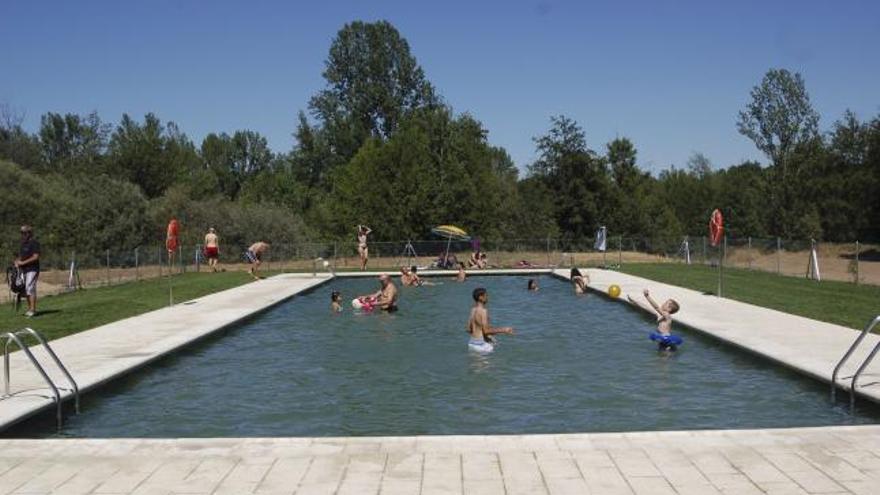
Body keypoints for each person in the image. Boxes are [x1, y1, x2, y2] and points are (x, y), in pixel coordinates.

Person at [466, 288, 514, 353]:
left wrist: (487, 337)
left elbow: (468, 329)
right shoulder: (484, 311)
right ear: (480, 297)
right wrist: (504, 330)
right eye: (486, 295)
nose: (487, 297)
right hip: (481, 345)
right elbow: (486, 331)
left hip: (472, 343)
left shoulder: (473, 310)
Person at [14, 225, 40, 317]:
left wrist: (23, 262)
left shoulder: (34, 243)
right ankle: (30, 309)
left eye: (24, 233)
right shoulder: (23, 244)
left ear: (29, 233)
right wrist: (17, 261)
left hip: (32, 269)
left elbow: (35, 257)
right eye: (21, 233)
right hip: (24, 269)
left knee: (30, 288)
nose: (22, 235)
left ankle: (33, 310)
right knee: (25, 289)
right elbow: (21, 256)